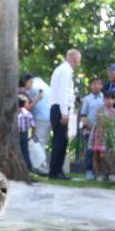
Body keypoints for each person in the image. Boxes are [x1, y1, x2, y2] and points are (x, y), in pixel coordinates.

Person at [47, 49, 78, 179]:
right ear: (74, 59)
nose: (78, 64)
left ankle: (57, 170)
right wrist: (64, 113)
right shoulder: (66, 71)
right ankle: (55, 172)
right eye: (77, 61)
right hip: (60, 109)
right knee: (60, 141)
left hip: (57, 108)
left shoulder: (61, 69)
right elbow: (63, 93)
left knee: (61, 141)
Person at [79, 76, 105, 179]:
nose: (96, 86)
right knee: (90, 151)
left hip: (102, 129)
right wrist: (84, 128)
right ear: (91, 86)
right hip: (90, 128)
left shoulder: (104, 98)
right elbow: (83, 115)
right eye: (94, 84)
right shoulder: (87, 99)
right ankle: (89, 170)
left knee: (100, 151)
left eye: (99, 84)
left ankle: (100, 172)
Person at [91, 93, 115, 182]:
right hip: (99, 134)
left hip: (108, 135)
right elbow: (101, 120)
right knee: (96, 155)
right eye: (107, 98)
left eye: (112, 99)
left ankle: (111, 173)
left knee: (103, 156)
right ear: (104, 100)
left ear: (114, 101)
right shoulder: (100, 109)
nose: (109, 101)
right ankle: (98, 174)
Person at [25, 71, 52, 150]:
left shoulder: (32, 86)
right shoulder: (47, 87)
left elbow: (25, 102)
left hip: (38, 117)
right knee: (42, 142)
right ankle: (40, 161)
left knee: (37, 142)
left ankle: (38, 162)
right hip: (48, 117)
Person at [17, 95, 36, 172]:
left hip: (17, 134)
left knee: (18, 150)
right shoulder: (28, 113)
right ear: (24, 104)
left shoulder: (15, 113)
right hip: (24, 134)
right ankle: (28, 167)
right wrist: (32, 134)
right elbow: (33, 125)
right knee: (25, 151)